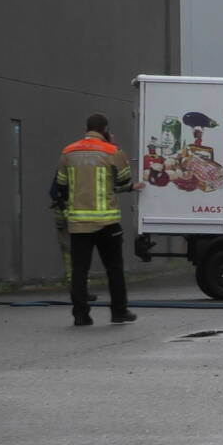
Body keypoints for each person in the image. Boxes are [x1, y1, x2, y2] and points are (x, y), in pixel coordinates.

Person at [55, 113, 144, 326]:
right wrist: (114, 147)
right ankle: (119, 312)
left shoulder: (68, 152)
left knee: (79, 270)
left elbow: (61, 185)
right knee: (114, 268)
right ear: (105, 129)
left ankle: (81, 315)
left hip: (78, 223)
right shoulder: (111, 151)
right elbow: (124, 179)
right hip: (107, 222)